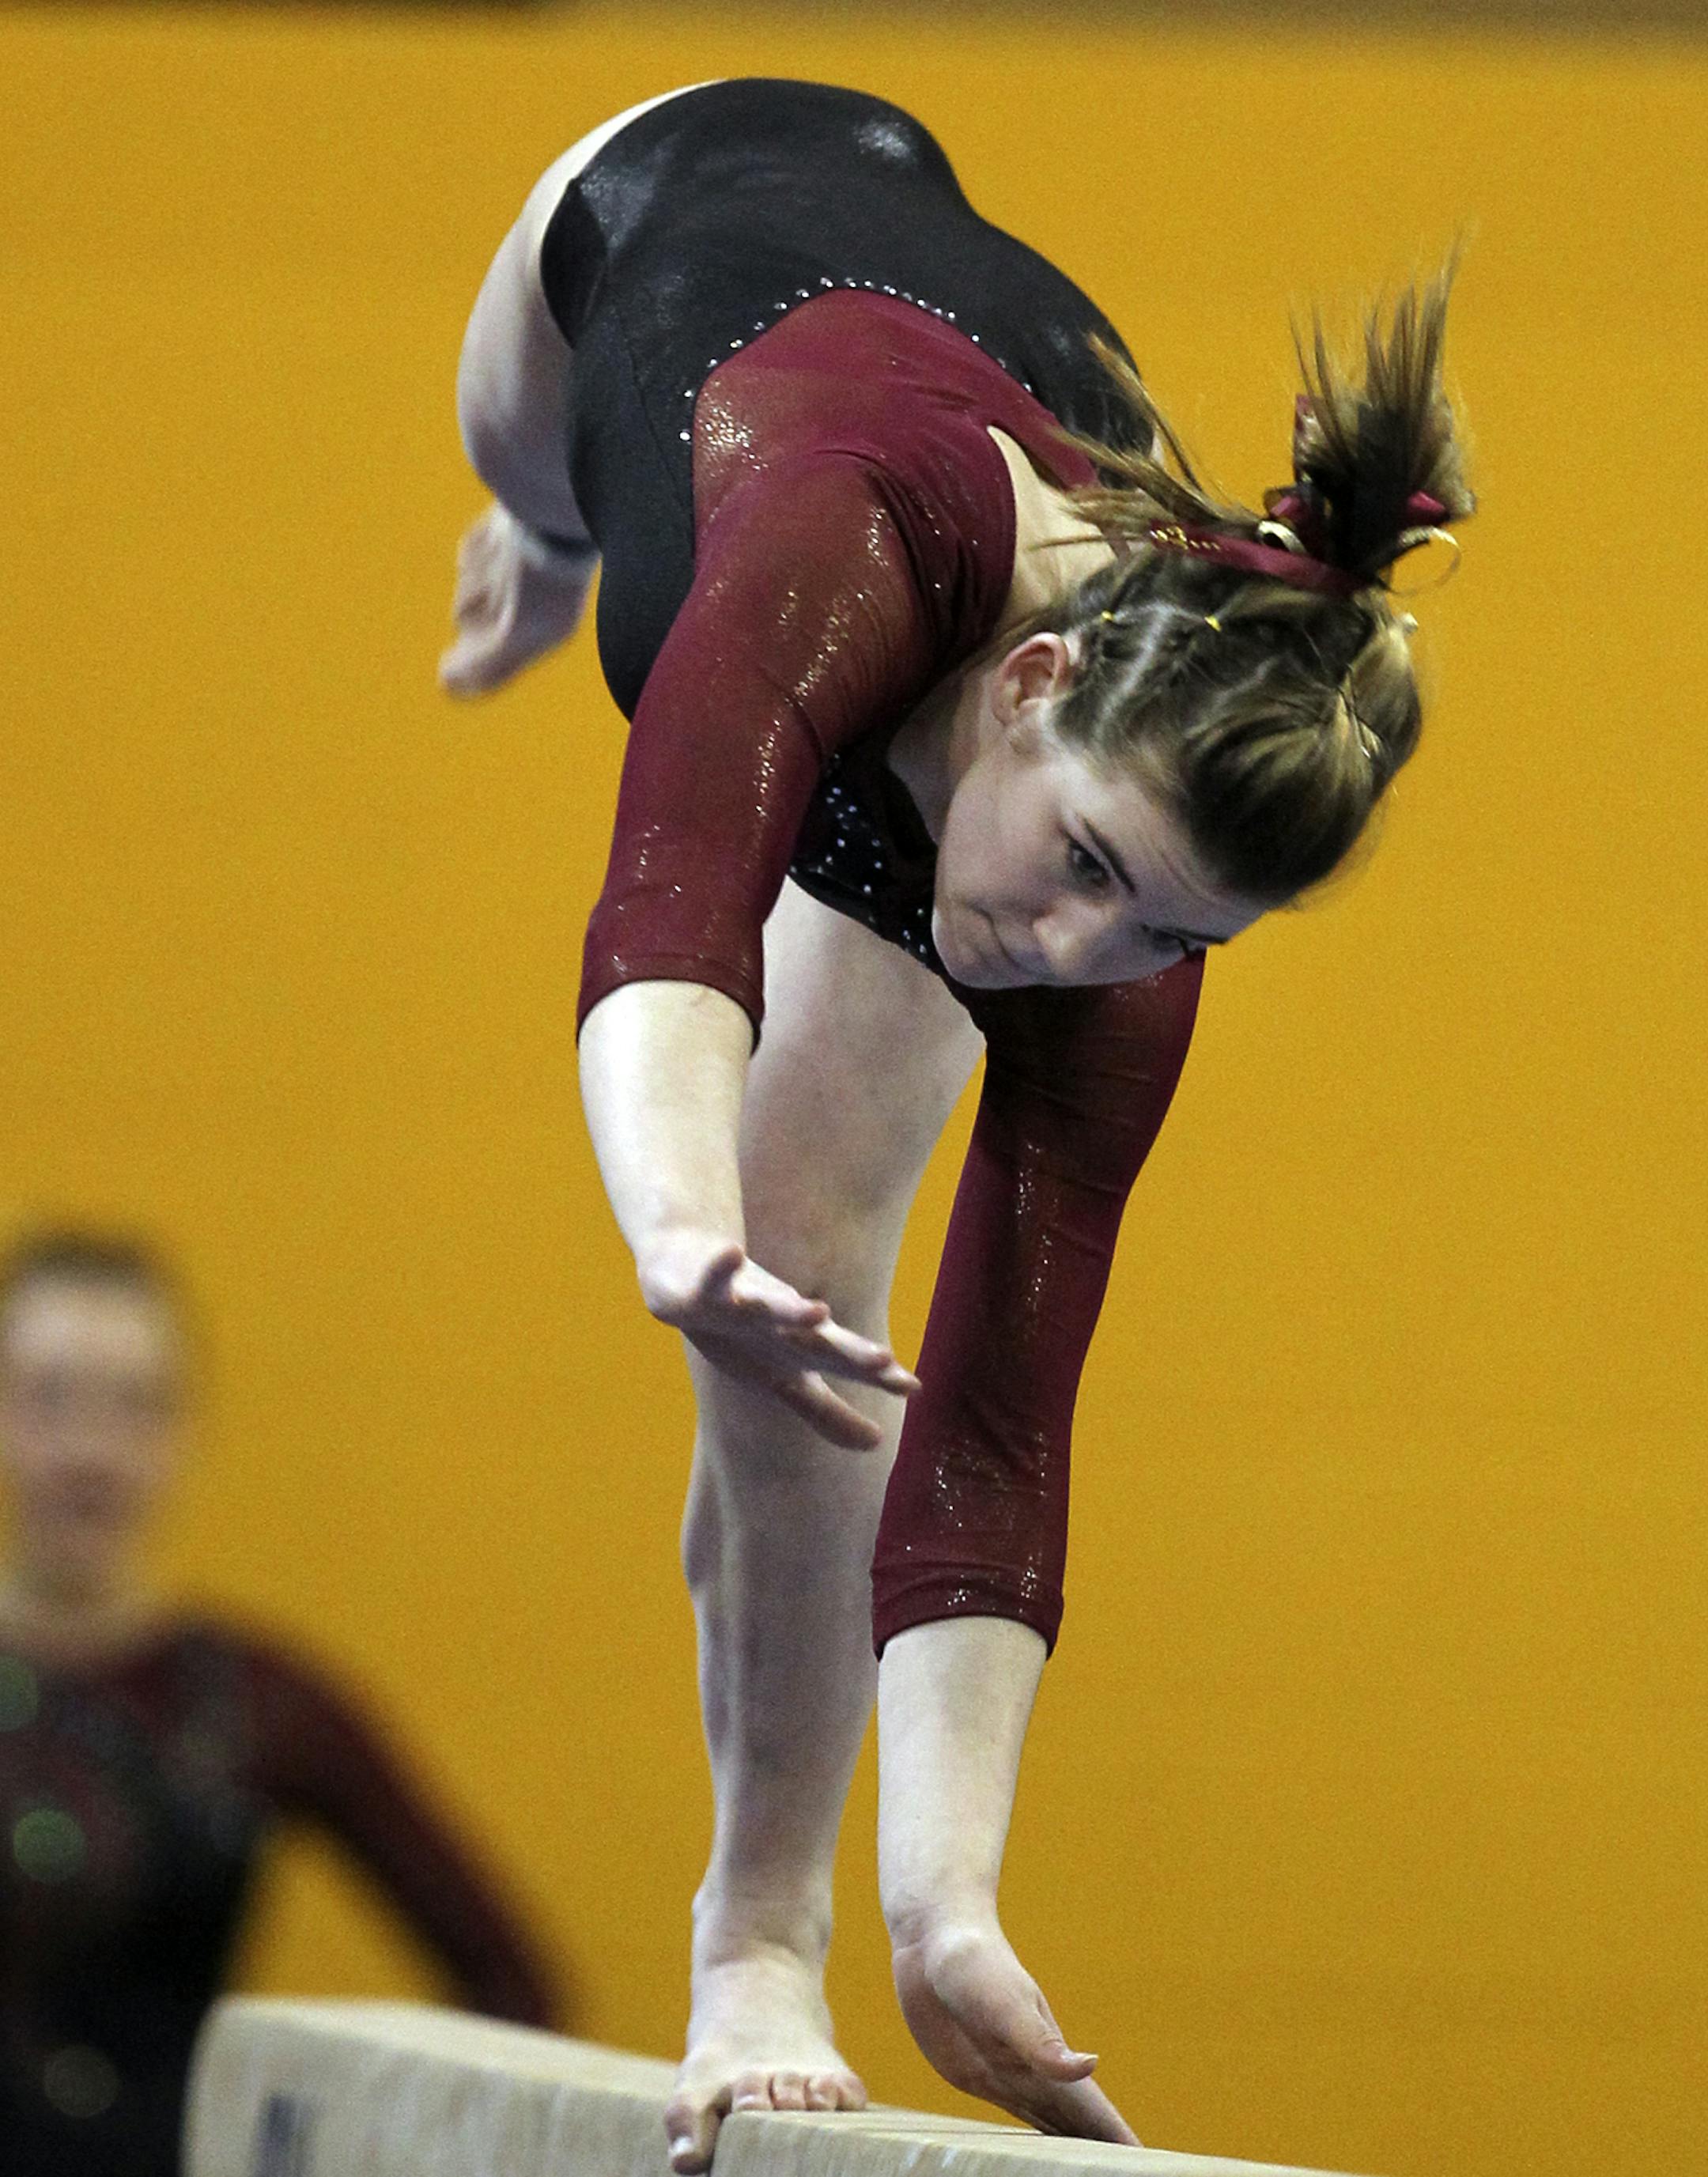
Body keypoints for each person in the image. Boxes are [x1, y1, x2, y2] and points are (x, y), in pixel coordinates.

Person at [440, 77, 1471, 2171]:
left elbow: (998, 1412)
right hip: (652, 214)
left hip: (1002, 518)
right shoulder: (853, 535)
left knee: (816, 1326)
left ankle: (800, 1932)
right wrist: (670, 1229)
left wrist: (952, 1901)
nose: (1078, 947)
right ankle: (753, 1934)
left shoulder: (1119, 931)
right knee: (753, 1259)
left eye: (1171, 926)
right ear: (1031, 689)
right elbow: (670, 911)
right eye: (1093, 866)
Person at [0, 1230, 564, 2177]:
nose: (90, 1449)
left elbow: (511, 1981)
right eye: (50, 1399)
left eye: (134, 1405)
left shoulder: (260, 1701)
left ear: (185, 1427)